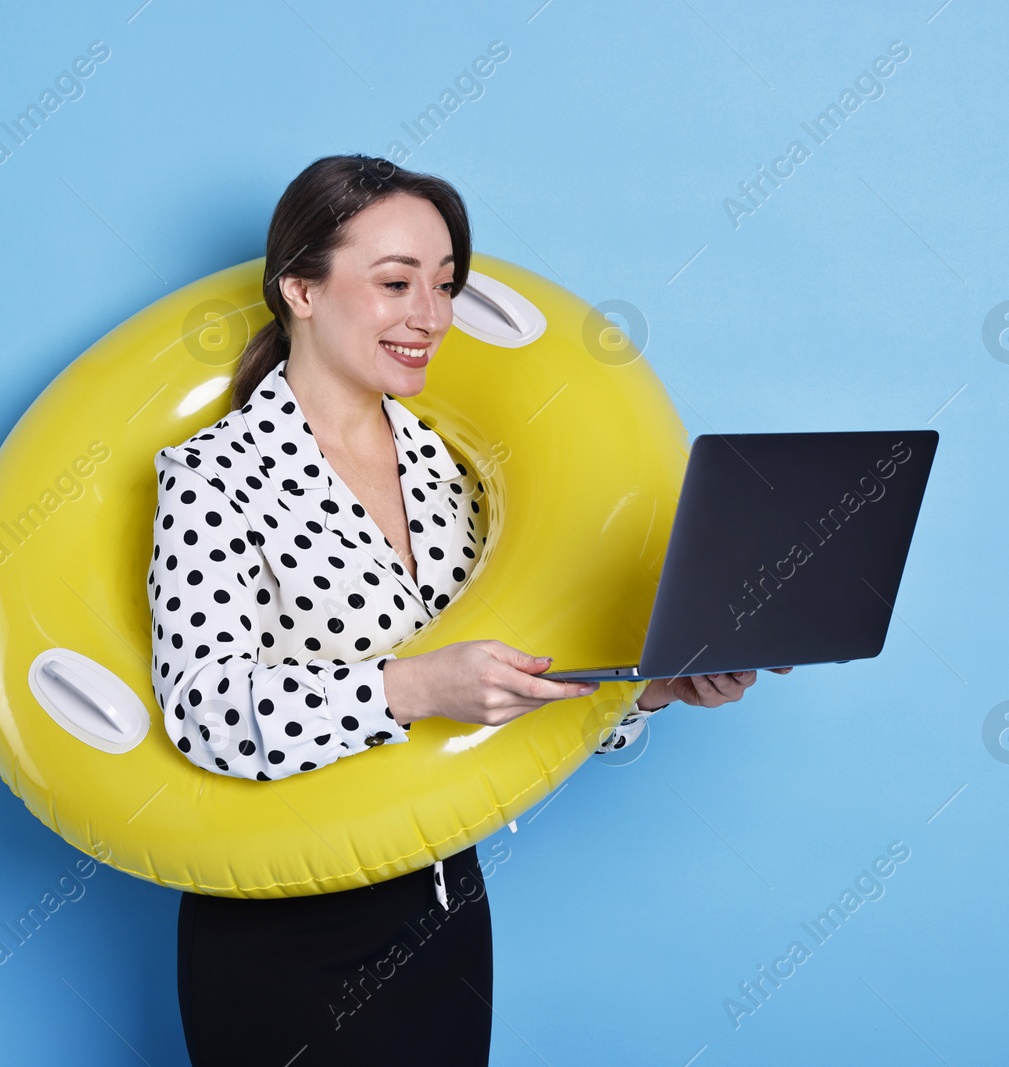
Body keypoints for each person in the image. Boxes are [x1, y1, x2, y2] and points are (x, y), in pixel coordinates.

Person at [149, 154, 785, 1066]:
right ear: (299, 287)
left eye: (445, 285)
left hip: (443, 912)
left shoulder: (447, 467)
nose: (430, 316)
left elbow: (506, 682)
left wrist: (649, 694)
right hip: (280, 927)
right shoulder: (215, 473)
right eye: (396, 282)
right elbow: (205, 710)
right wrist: (408, 687)